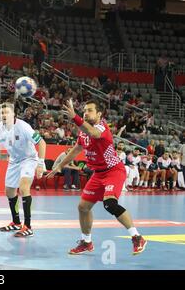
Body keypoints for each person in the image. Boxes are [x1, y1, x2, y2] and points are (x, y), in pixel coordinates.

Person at [47, 99, 147, 255]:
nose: (86, 113)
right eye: (84, 110)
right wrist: (60, 165)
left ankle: (137, 237)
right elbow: (76, 149)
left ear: (99, 114)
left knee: (110, 204)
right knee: (83, 207)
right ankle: (86, 242)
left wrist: (75, 117)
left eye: (90, 110)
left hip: (113, 171)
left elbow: (93, 133)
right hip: (98, 174)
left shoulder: (101, 127)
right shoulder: (83, 131)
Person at [0, 103, 46, 238]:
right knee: (9, 191)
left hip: (29, 159)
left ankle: (28, 226)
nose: (4, 115)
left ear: (13, 114)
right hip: (14, 161)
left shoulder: (23, 127)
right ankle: (16, 222)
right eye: (2, 112)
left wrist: (40, 163)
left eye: (7, 112)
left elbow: (42, 143)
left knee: (23, 188)